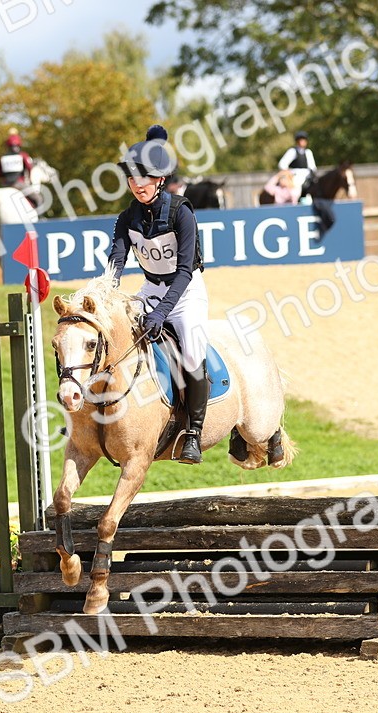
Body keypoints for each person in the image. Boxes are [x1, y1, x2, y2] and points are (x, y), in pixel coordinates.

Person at [107, 124, 209, 465]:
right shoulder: (127, 218)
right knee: (112, 336)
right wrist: (107, 293)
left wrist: (162, 312)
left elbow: (183, 272)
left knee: (192, 355)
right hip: (150, 288)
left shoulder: (182, 212)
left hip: (186, 293)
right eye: (132, 179)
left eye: (145, 179)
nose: (137, 185)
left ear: (161, 180)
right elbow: (117, 260)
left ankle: (193, 432)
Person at [277, 131, 317, 199]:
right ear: (297, 141)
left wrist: (312, 174)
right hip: (295, 176)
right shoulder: (292, 151)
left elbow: (313, 167)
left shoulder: (308, 152)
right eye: (301, 139)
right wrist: (289, 173)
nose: (303, 141)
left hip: (308, 176)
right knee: (296, 188)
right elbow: (282, 164)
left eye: (304, 139)